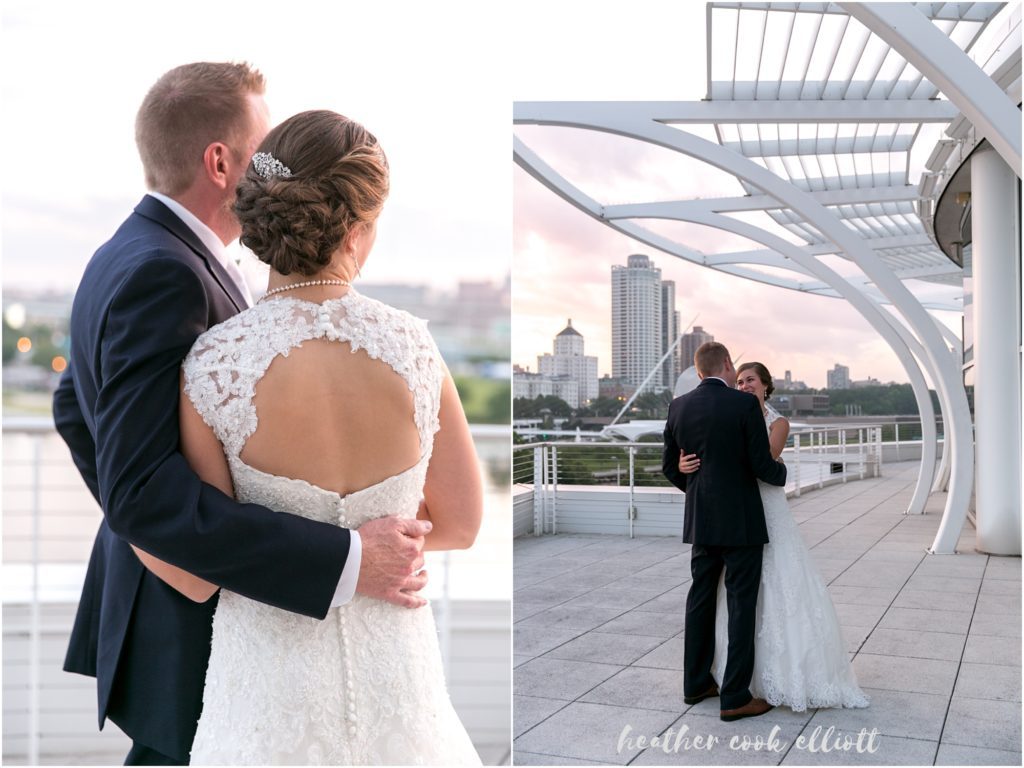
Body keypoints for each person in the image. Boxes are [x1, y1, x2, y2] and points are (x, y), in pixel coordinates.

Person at [53, 63, 430, 766]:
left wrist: (140, 521)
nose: (275, 165)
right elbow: (141, 489)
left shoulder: (130, 250)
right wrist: (346, 558)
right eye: (264, 147)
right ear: (221, 163)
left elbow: (75, 408)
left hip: (176, 603)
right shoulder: (164, 273)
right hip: (191, 624)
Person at [128, 109, 483, 765]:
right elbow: (461, 524)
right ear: (355, 230)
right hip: (396, 683)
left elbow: (197, 573)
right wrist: (375, 543)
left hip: (265, 697)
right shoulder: (413, 348)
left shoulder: (213, 365)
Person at [678, 362, 869, 712]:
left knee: (777, 584)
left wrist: (756, 465)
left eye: (751, 380)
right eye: (739, 381)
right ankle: (732, 678)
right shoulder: (733, 412)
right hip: (736, 513)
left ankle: (778, 675)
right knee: (735, 597)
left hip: (766, 509)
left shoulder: (777, 422)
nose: (744, 385)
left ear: (766, 385)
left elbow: (765, 459)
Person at [662, 342, 788, 722]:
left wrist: (694, 485)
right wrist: (782, 474)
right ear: (728, 365)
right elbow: (761, 464)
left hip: (701, 521)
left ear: (699, 371)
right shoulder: (743, 405)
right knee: (740, 605)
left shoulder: (678, 406)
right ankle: (734, 696)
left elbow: (670, 466)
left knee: (700, 600)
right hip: (741, 523)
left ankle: (696, 684)